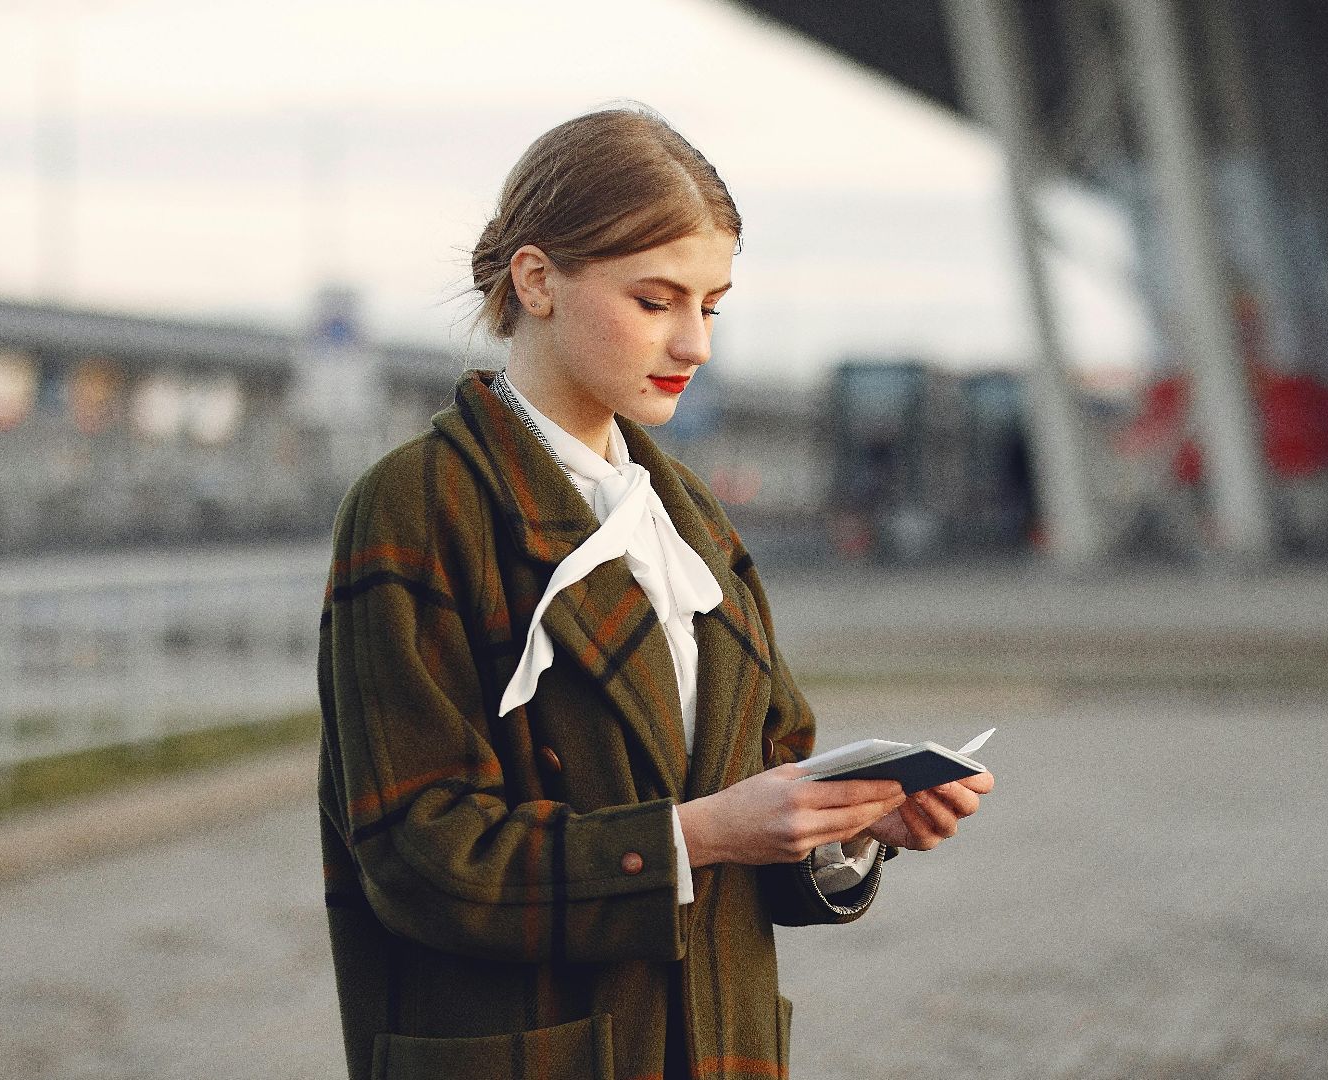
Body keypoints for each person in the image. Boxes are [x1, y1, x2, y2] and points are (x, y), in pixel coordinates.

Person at [315, 103, 994, 1080]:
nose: (695, 344)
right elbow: (419, 857)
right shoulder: (419, 508)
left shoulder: (688, 521)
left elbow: (767, 785)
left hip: (717, 1048)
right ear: (537, 280)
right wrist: (702, 834)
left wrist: (847, 830)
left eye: (710, 305)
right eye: (655, 301)